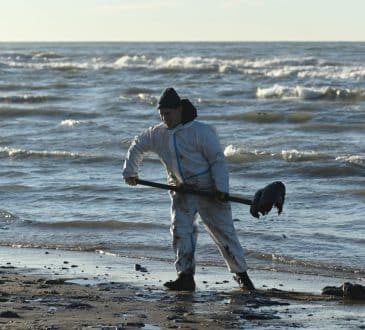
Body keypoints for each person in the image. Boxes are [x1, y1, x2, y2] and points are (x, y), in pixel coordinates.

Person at [122, 87, 255, 291]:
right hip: (180, 188)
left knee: (224, 233)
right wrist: (130, 172)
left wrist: (221, 188)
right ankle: (185, 277)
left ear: (179, 110)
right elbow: (137, 145)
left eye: (168, 113)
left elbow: (218, 161)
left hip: (208, 189)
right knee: (180, 231)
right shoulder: (157, 134)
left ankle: (242, 276)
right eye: (162, 114)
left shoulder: (201, 131)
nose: (165, 118)